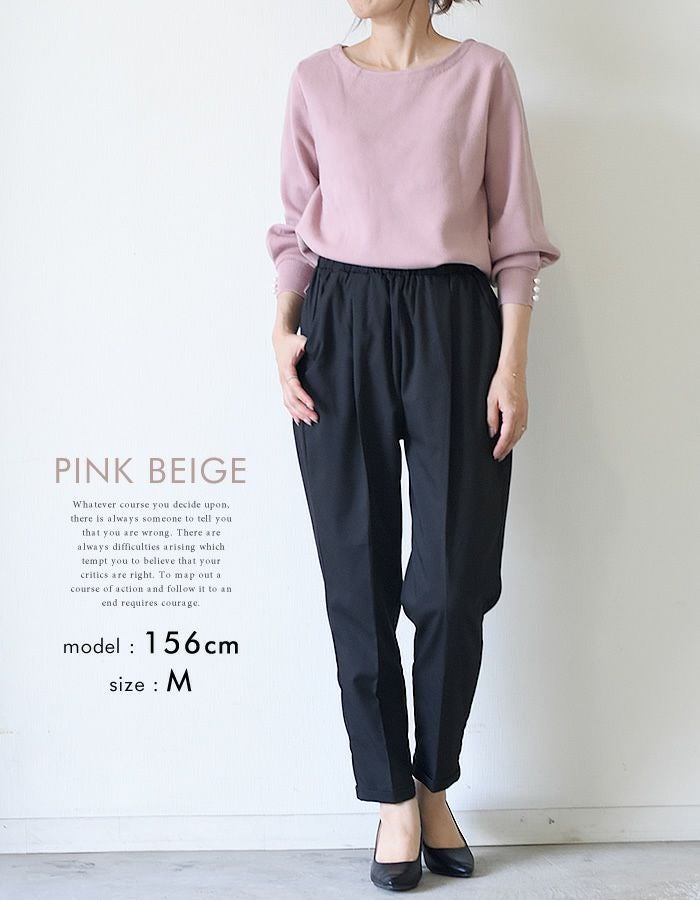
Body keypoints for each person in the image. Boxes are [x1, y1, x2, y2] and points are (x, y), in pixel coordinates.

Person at [265, 0, 561, 891]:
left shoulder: (484, 76)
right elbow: (293, 230)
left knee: (453, 577)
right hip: (340, 323)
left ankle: (434, 782)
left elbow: (515, 239)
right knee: (355, 580)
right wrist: (280, 332)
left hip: (453, 324)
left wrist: (512, 367)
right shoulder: (315, 80)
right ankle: (393, 798)